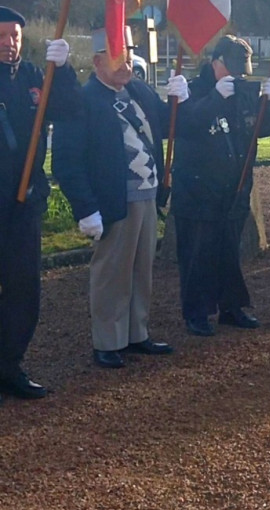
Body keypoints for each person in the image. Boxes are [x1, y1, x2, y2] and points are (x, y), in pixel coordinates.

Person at [53, 27, 180, 368]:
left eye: (129, 53)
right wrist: (85, 209)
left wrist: (178, 98)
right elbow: (66, 160)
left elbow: (167, 124)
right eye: (118, 55)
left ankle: (136, 332)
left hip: (147, 194)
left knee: (141, 269)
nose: (127, 61)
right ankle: (108, 340)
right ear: (97, 61)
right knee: (112, 272)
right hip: (113, 198)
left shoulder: (138, 89)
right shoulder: (82, 99)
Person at [171, 35, 270, 336]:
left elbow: (267, 126)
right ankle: (196, 312)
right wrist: (214, 100)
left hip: (234, 188)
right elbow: (185, 125)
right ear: (214, 62)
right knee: (198, 255)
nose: (238, 75)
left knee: (228, 254)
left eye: (242, 69)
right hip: (198, 189)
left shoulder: (243, 92)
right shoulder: (193, 91)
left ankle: (231, 307)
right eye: (232, 68)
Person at [0, 7, 81, 400]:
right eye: (1, 36)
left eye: (14, 36)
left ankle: (9, 364)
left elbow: (70, 111)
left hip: (25, 201)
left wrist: (63, 70)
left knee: (23, 288)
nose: (8, 43)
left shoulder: (36, 77)